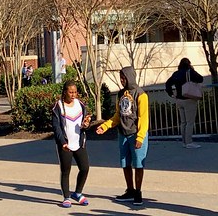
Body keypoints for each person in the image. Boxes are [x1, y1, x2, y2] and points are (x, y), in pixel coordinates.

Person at [96, 65, 149, 205]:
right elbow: (118, 116)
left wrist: (140, 137)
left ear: (129, 77)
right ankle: (130, 190)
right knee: (125, 163)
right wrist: (106, 126)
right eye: (120, 78)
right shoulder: (120, 94)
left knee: (138, 164)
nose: (121, 80)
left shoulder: (141, 95)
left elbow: (144, 118)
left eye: (123, 78)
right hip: (123, 134)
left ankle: (138, 192)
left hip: (136, 134)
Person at [52, 80, 93, 208]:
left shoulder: (80, 105)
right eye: (70, 92)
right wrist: (62, 143)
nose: (73, 95)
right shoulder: (58, 106)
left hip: (79, 143)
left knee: (85, 168)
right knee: (66, 171)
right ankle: (66, 197)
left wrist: (86, 124)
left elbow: (85, 124)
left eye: (75, 92)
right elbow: (56, 128)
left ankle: (78, 193)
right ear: (65, 92)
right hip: (65, 145)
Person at [165, 57, 204, 148]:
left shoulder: (176, 73)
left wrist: (171, 94)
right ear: (188, 64)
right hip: (189, 99)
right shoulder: (190, 72)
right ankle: (189, 142)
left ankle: (184, 142)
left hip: (179, 100)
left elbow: (168, 83)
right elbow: (200, 79)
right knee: (190, 122)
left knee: (183, 122)